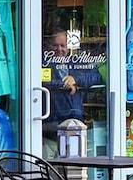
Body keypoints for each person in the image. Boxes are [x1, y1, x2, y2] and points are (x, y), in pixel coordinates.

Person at [41, 30, 103, 159]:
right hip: (50, 128)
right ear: (48, 46)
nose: (59, 49)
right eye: (55, 45)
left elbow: (96, 76)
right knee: (49, 173)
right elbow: (39, 81)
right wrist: (63, 84)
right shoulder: (43, 63)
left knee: (74, 173)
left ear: (69, 47)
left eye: (63, 46)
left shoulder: (77, 64)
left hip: (75, 127)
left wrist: (75, 79)